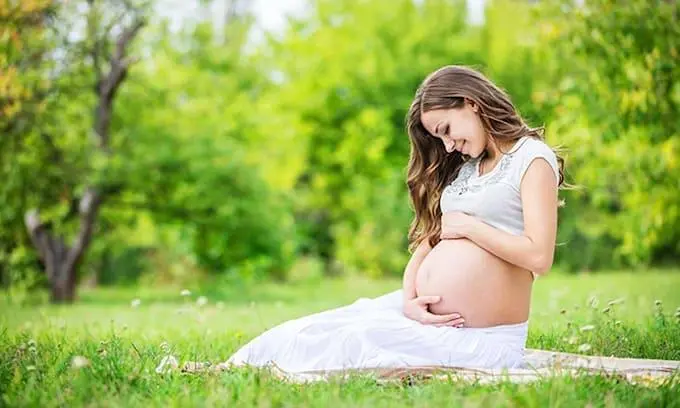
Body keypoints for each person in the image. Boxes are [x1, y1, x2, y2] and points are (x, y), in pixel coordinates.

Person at [225, 65, 565, 373]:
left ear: (470, 103)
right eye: (440, 138)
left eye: (446, 129)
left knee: (358, 340)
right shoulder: (468, 168)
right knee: (320, 328)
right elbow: (433, 240)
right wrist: (409, 300)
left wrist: (470, 228)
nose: (447, 146)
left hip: (480, 338)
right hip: (424, 318)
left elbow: (539, 256)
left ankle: (259, 369)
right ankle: (235, 368)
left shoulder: (531, 159)